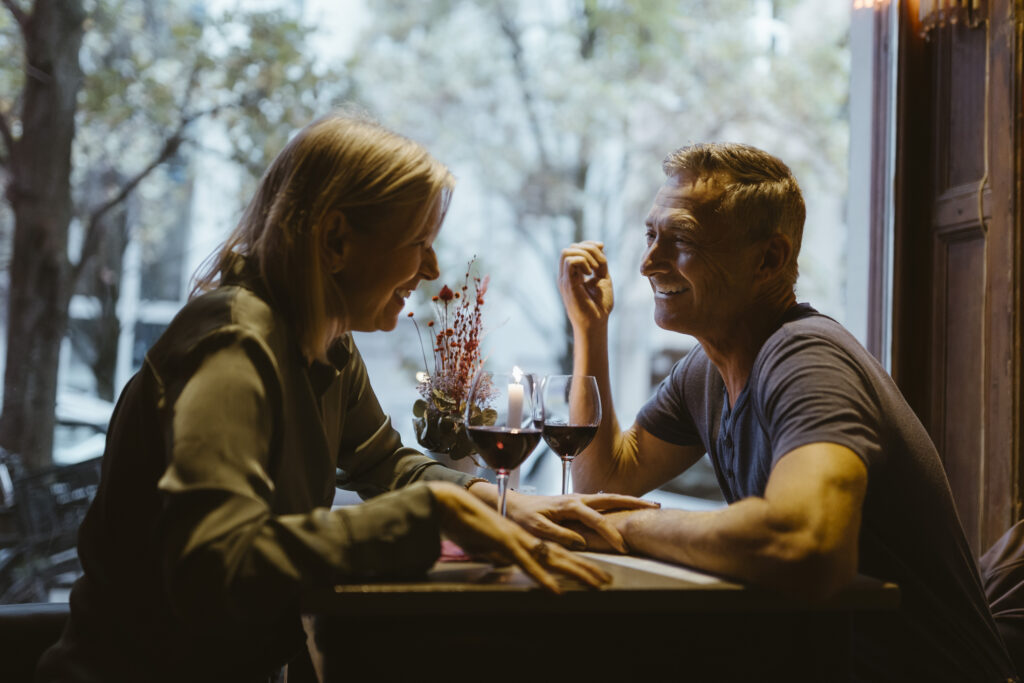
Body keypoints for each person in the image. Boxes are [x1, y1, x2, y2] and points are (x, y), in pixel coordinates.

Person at [36, 111, 651, 683]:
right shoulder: (232, 346)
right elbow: (214, 564)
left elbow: (382, 462)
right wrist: (428, 519)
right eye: (418, 241)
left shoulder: (322, 338)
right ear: (335, 240)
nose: (432, 268)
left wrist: (493, 502)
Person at [557, 142, 1018, 682]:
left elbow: (807, 547)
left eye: (680, 240)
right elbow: (603, 479)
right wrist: (590, 330)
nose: (647, 263)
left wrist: (632, 525)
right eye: (651, 235)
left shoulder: (806, 359)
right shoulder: (708, 368)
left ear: (770, 259)